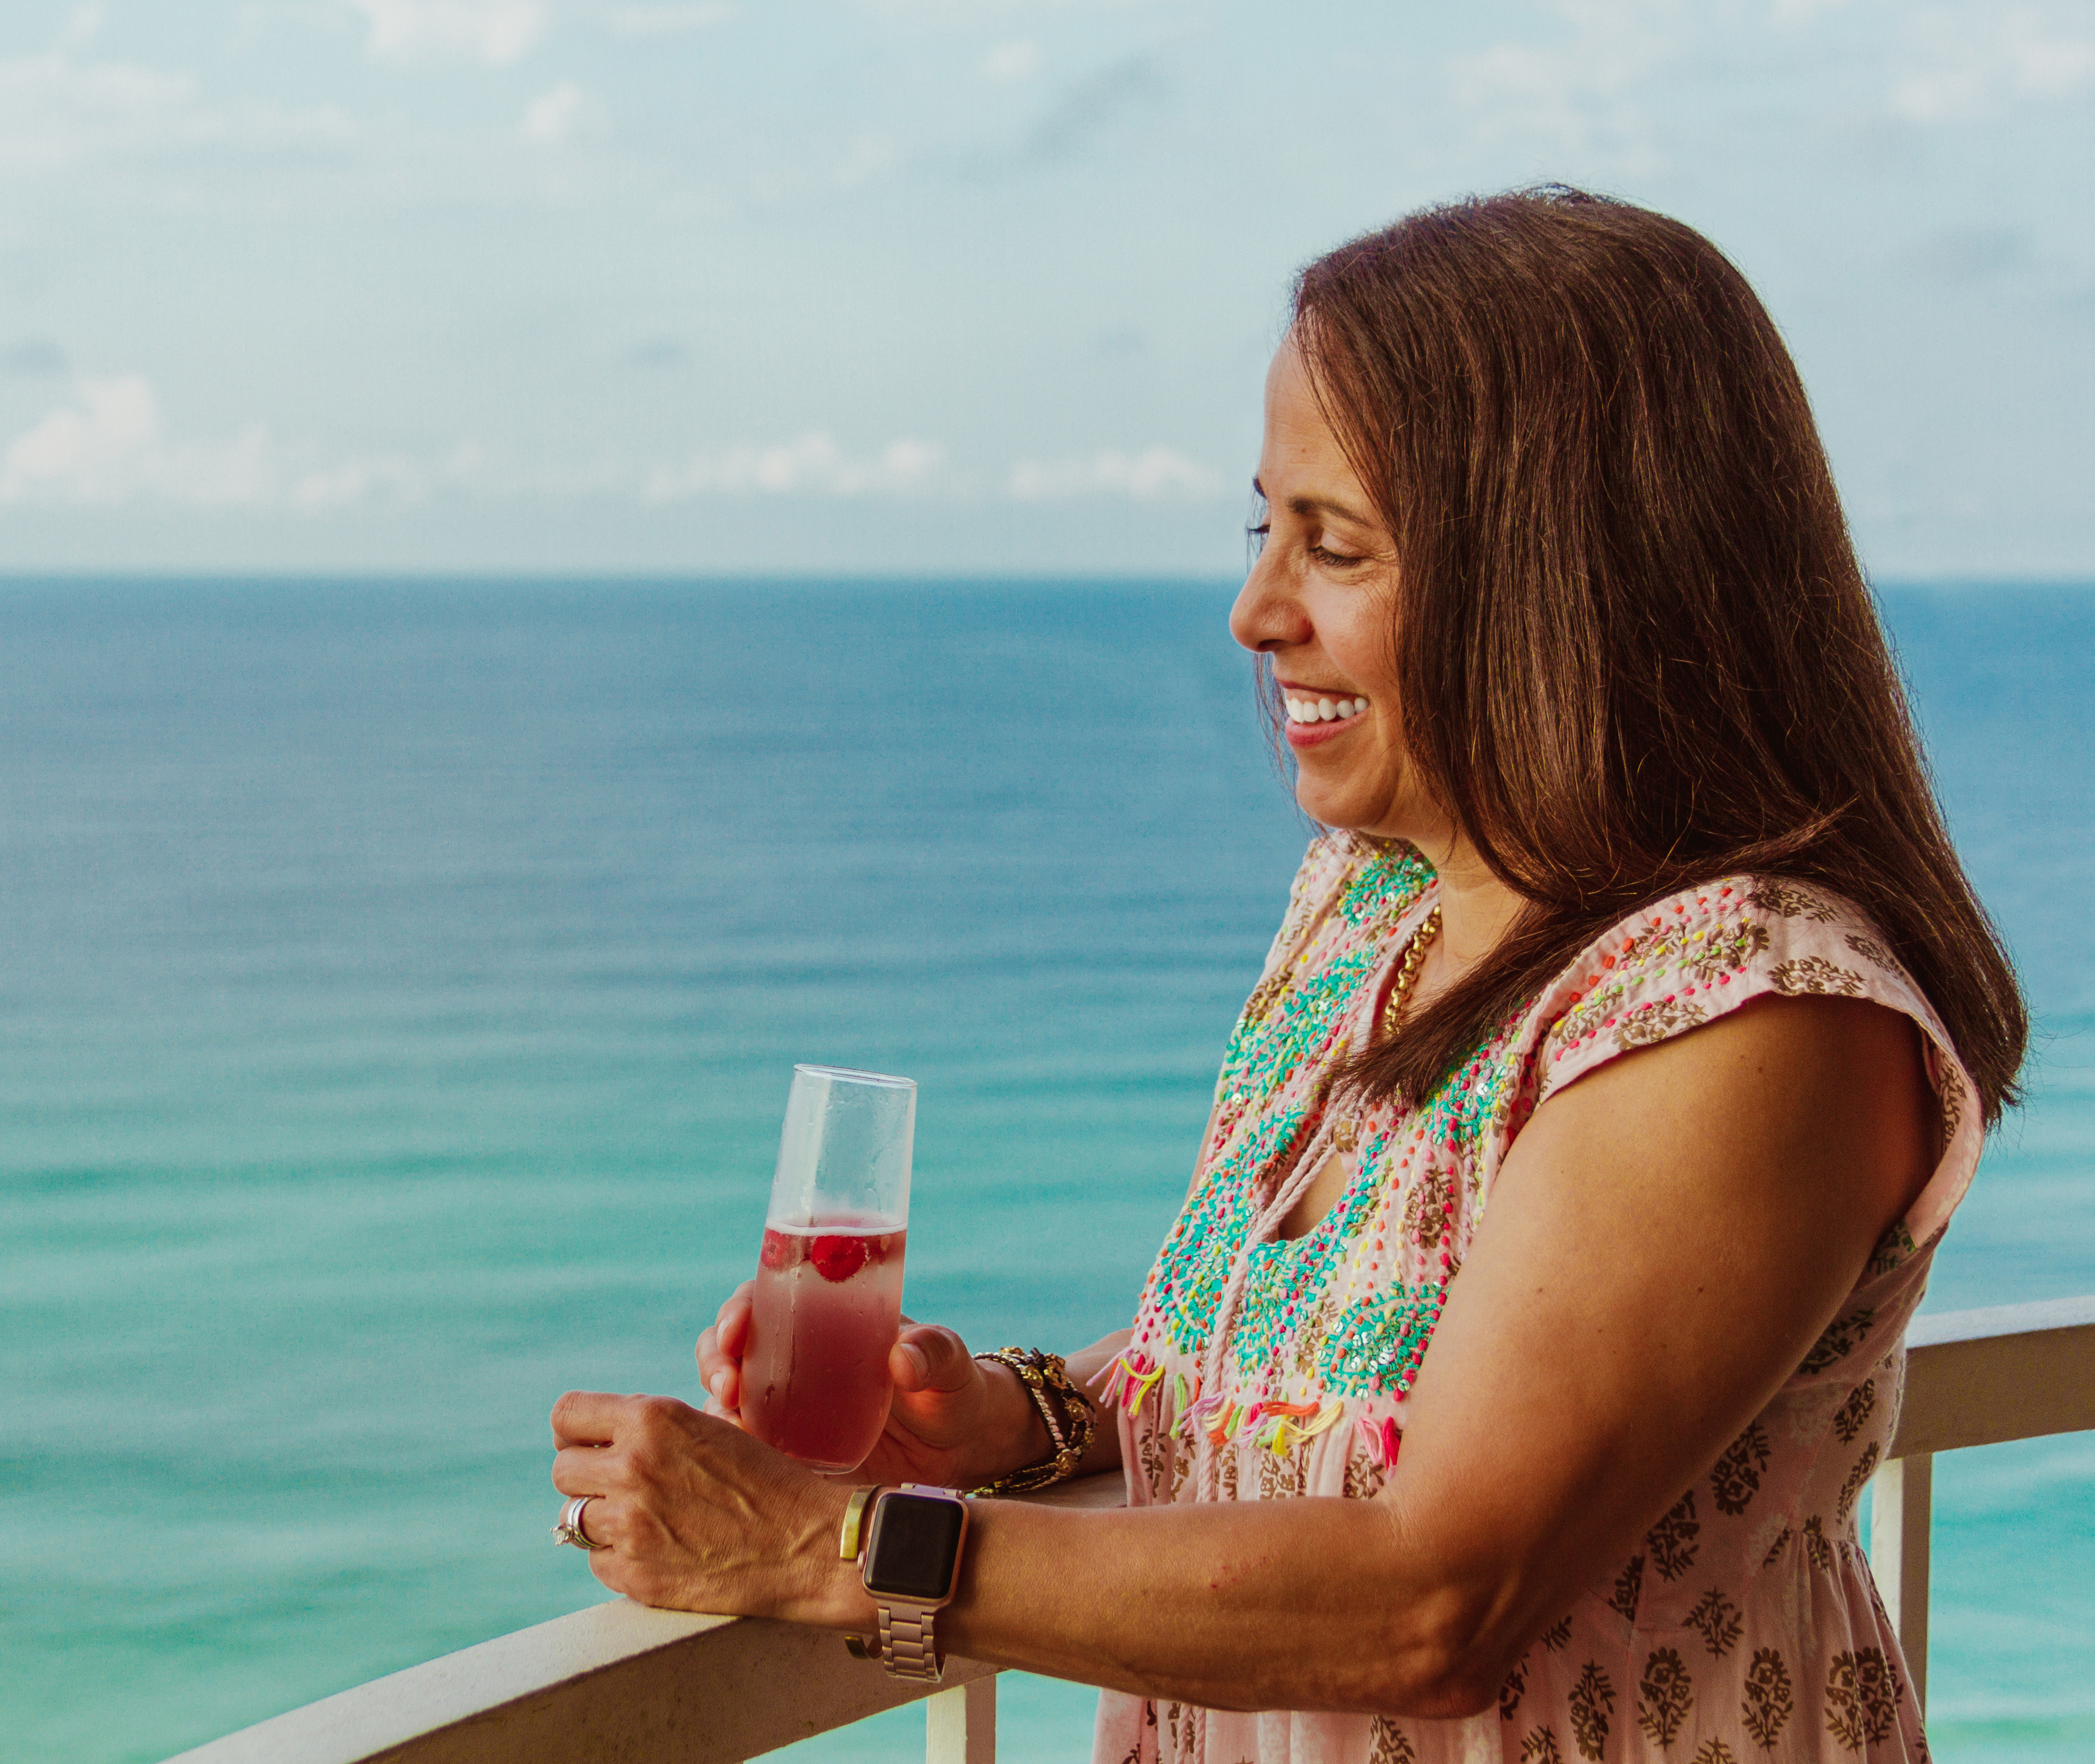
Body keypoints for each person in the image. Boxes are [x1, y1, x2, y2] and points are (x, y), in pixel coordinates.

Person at [548, 186, 2026, 1764]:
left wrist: (817, 1551)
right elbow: (1390, 1354)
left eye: (1337, 546)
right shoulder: (1370, 909)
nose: (1258, 613)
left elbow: (1440, 1592)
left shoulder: (1752, 1016)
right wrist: (1021, 1417)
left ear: (1563, 574)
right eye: (1270, 529)